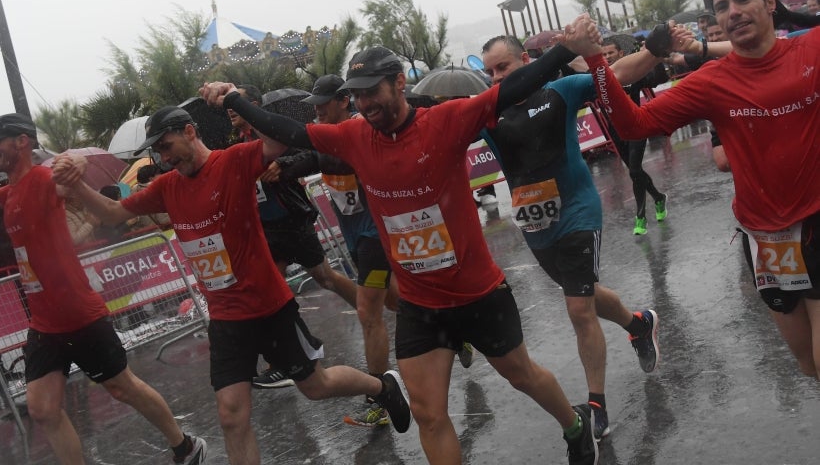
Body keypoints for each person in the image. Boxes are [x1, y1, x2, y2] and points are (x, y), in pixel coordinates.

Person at [205, 38, 600, 465]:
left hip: (478, 295)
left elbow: (510, 88)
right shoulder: (355, 136)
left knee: (522, 375)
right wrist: (236, 100)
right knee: (429, 414)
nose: (363, 102)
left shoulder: (445, 120)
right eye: (356, 93)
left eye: (371, 90)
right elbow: (294, 132)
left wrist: (564, 50)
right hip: (420, 305)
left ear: (398, 82)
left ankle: (574, 426)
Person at [52, 106, 411, 465]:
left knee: (317, 386)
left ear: (190, 132)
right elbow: (115, 213)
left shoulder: (234, 161)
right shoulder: (167, 186)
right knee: (231, 414)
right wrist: (76, 186)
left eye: (167, 145)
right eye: (158, 151)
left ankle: (382, 386)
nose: (164, 157)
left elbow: (278, 141)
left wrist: (237, 101)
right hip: (225, 319)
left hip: (269, 308)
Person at [567, 0, 820, 380]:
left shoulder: (811, 51)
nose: (733, 12)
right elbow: (632, 125)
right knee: (808, 365)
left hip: (816, 220)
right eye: (723, 7)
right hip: (765, 241)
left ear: (770, 4)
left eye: (743, 0)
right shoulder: (712, 82)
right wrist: (595, 60)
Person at [0, 113, 207, 465]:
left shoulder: (43, 180)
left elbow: (70, 173)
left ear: (21, 142)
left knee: (122, 387)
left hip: (78, 315)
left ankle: (185, 445)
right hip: (44, 325)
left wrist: (79, 161)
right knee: (42, 409)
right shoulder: (10, 192)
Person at [480, 35, 662, 440]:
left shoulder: (560, 91)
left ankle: (596, 404)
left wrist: (656, 50)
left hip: (578, 212)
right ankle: (638, 324)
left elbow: (616, 74)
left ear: (525, 61)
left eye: (503, 67)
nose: (496, 77)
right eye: (489, 71)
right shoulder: (488, 112)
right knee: (586, 294)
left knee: (579, 309)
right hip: (535, 223)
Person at [272, 74, 402, 426]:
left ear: (344, 101)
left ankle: (380, 397)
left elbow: (331, 160)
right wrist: (283, 167)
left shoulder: (363, 131)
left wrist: (296, 163)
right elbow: (311, 157)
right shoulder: (324, 137)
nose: (317, 112)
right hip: (356, 238)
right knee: (394, 301)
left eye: (324, 104)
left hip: (379, 234)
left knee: (367, 313)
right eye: (313, 107)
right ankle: (445, 321)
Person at [227, 84, 358, 389]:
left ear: (255, 106)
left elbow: (305, 152)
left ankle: (369, 307)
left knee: (324, 276)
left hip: (292, 220)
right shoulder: (240, 140)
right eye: (228, 109)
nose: (231, 111)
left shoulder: (272, 132)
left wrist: (282, 164)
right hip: (268, 227)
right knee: (271, 288)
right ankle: (282, 361)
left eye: (238, 106)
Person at [600, 38, 668, 235]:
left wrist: (657, 54)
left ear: (621, 54)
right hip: (615, 130)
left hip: (636, 126)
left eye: (610, 53)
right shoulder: (600, 77)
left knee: (635, 170)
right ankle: (658, 197)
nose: (606, 57)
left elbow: (658, 78)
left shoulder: (633, 73)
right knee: (635, 172)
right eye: (603, 54)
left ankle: (640, 216)